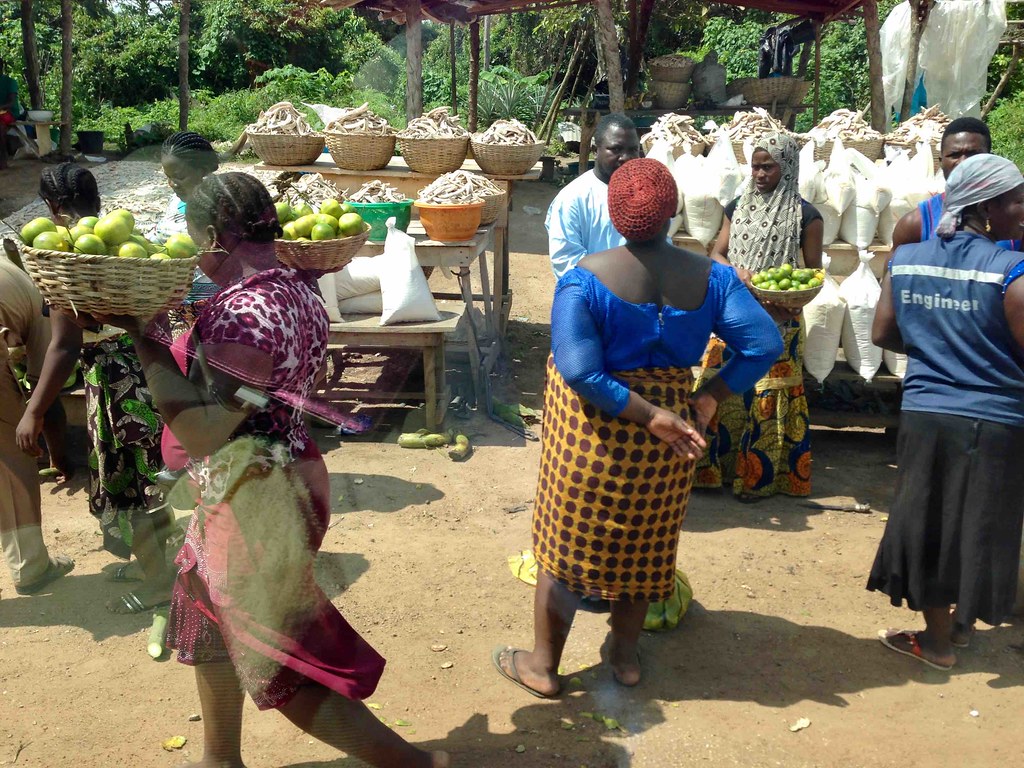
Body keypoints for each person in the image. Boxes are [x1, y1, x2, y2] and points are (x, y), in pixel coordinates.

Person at [98, 172, 447, 768]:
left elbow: (201, 430)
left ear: (213, 235)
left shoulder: (245, 314)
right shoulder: (293, 289)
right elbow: (250, 389)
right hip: (277, 474)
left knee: (274, 654)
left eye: (193, 237)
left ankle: (415, 765)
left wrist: (142, 337)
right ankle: (220, 759)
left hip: (257, 499)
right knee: (208, 615)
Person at [493, 159, 781, 696]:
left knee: (564, 544)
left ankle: (543, 667)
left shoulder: (583, 281)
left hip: (593, 434)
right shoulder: (714, 278)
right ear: (673, 213)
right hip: (671, 439)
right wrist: (710, 396)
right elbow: (764, 344)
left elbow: (580, 371)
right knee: (647, 542)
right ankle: (625, 659)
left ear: (612, 213)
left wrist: (648, 415)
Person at [867, 154, 1024, 671]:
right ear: (986, 207)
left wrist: (938, 348)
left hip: (927, 413)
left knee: (929, 523)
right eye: (1017, 201)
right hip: (998, 419)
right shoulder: (1010, 271)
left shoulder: (907, 261)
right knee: (978, 522)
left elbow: (882, 333)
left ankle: (936, 639)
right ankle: (958, 628)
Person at [15, 163, 169, 613]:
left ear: (51, 206)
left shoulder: (67, 262)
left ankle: (159, 583)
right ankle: (154, 566)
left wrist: (34, 411)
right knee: (154, 478)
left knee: (130, 486)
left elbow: (64, 347)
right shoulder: (128, 247)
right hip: (152, 369)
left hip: (115, 384)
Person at [695, 132, 823, 501]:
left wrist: (793, 299)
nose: (760, 174)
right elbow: (716, 253)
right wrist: (734, 272)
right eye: (755, 166)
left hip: (780, 319)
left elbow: (814, 273)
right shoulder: (737, 207)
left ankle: (760, 479)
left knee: (768, 397)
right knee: (720, 387)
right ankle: (713, 473)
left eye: (768, 166)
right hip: (732, 314)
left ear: (788, 167)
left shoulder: (807, 216)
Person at [0, 255, 74, 595]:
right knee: (12, 464)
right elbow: (45, 386)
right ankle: (30, 567)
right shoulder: (37, 291)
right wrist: (60, 457)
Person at [890, 117, 1010, 250]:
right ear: (941, 162)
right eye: (954, 155)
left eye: (973, 154)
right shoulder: (916, 224)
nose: (963, 162)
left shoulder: (1012, 217)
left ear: (991, 159)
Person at [545, 113, 641, 278]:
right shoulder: (572, 198)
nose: (626, 158)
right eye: (616, 149)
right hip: (592, 291)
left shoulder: (644, 194)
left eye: (633, 150)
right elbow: (566, 262)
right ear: (595, 151)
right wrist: (617, 285)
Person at [151, 130, 221, 337]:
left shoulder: (221, 203)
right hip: (179, 307)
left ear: (203, 170)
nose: (172, 184)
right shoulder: (177, 201)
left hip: (214, 309)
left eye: (179, 176)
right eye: (168, 177)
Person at [0, 58, 24, 171]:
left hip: (9, 112)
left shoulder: (10, 82)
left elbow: (11, 102)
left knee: (0, 128)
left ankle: (3, 159)